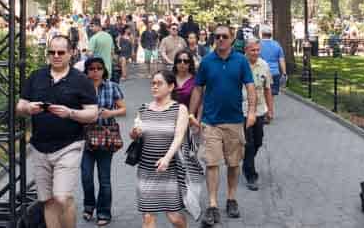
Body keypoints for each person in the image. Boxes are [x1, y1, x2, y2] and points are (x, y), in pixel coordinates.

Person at [16, 36, 99, 228]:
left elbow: (93, 114)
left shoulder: (81, 80)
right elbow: (20, 106)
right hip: (39, 146)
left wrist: (70, 113)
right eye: (52, 52)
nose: (56, 56)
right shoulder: (36, 76)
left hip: (69, 145)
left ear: (70, 53)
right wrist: (29, 109)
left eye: (61, 52)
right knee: (47, 200)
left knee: (62, 197)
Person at [189, 24, 257, 227]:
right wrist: (192, 115)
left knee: (234, 163)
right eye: (216, 36)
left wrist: (252, 111)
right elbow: (198, 89)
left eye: (224, 36)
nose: (220, 40)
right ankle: (212, 205)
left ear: (231, 39)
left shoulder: (241, 61)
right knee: (211, 163)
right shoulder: (207, 62)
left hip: (235, 121)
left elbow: (251, 87)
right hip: (211, 122)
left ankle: (231, 199)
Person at [131, 71, 190, 228]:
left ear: (171, 87)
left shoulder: (180, 109)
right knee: (148, 217)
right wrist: (134, 133)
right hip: (146, 169)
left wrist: (167, 158)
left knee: (174, 217)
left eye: (159, 83)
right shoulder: (143, 108)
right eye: (153, 83)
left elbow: (179, 137)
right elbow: (135, 136)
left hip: (169, 170)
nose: (155, 86)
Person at [81, 57, 126, 226]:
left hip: (106, 137)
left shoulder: (112, 86)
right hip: (85, 138)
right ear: (87, 70)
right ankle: (89, 205)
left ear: (104, 70)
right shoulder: (81, 87)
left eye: (99, 68)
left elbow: (123, 109)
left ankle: (104, 212)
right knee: (86, 176)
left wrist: (110, 113)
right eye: (91, 68)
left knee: (104, 178)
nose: (95, 71)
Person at [242, 38, 274, 190]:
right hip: (243, 110)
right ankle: (250, 175)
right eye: (252, 50)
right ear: (246, 50)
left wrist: (270, 110)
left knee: (258, 141)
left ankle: (246, 162)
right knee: (249, 143)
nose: (255, 53)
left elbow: (268, 89)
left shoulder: (264, 65)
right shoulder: (239, 65)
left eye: (257, 50)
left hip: (260, 109)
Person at [259, 25, 287, 96]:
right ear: (271, 35)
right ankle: (270, 107)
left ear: (262, 34)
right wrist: (284, 73)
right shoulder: (277, 45)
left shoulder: (258, 44)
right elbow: (281, 60)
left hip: (262, 73)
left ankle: (265, 107)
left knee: (262, 95)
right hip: (275, 73)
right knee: (272, 96)